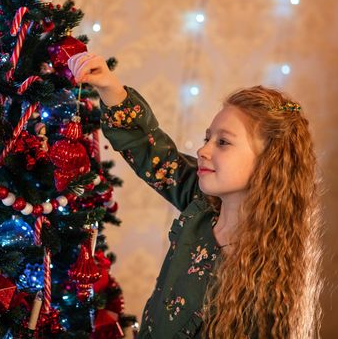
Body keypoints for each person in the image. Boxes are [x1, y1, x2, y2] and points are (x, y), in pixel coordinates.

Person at [68, 52, 323, 338]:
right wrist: (109, 86)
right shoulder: (201, 205)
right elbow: (152, 153)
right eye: (207, 138)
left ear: (269, 161)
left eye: (223, 142)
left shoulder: (270, 273)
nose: (204, 150)